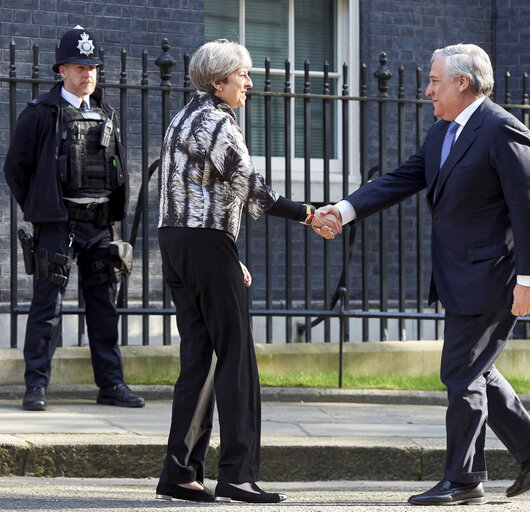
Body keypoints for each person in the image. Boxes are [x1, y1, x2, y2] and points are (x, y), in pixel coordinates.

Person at [319, 43, 530, 505]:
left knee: (461, 374)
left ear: (462, 83)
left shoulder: (503, 131)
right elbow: (401, 178)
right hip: (459, 276)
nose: (427, 89)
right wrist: (345, 209)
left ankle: (465, 479)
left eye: (434, 81)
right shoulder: (442, 133)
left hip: (494, 277)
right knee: (476, 369)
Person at [154, 39, 340, 504]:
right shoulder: (220, 123)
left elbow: (189, 189)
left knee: (199, 357)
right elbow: (253, 190)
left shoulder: (181, 118)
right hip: (207, 244)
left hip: (176, 242)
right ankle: (237, 474)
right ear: (219, 81)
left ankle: (179, 473)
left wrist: (225, 251)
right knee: (236, 357)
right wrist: (309, 214)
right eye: (243, 75)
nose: (249, 83)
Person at [4, 26, 144, 411]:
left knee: (104, 308)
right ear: (62, 70)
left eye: (93, 67)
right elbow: (16, 169)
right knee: (47, 307)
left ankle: (111, 385)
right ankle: (36, 387)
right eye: (80, 67)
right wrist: (42, 210)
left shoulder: (106, 113)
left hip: (99, 225)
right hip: (59, 224)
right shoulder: (40, 113)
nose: (88, 74)